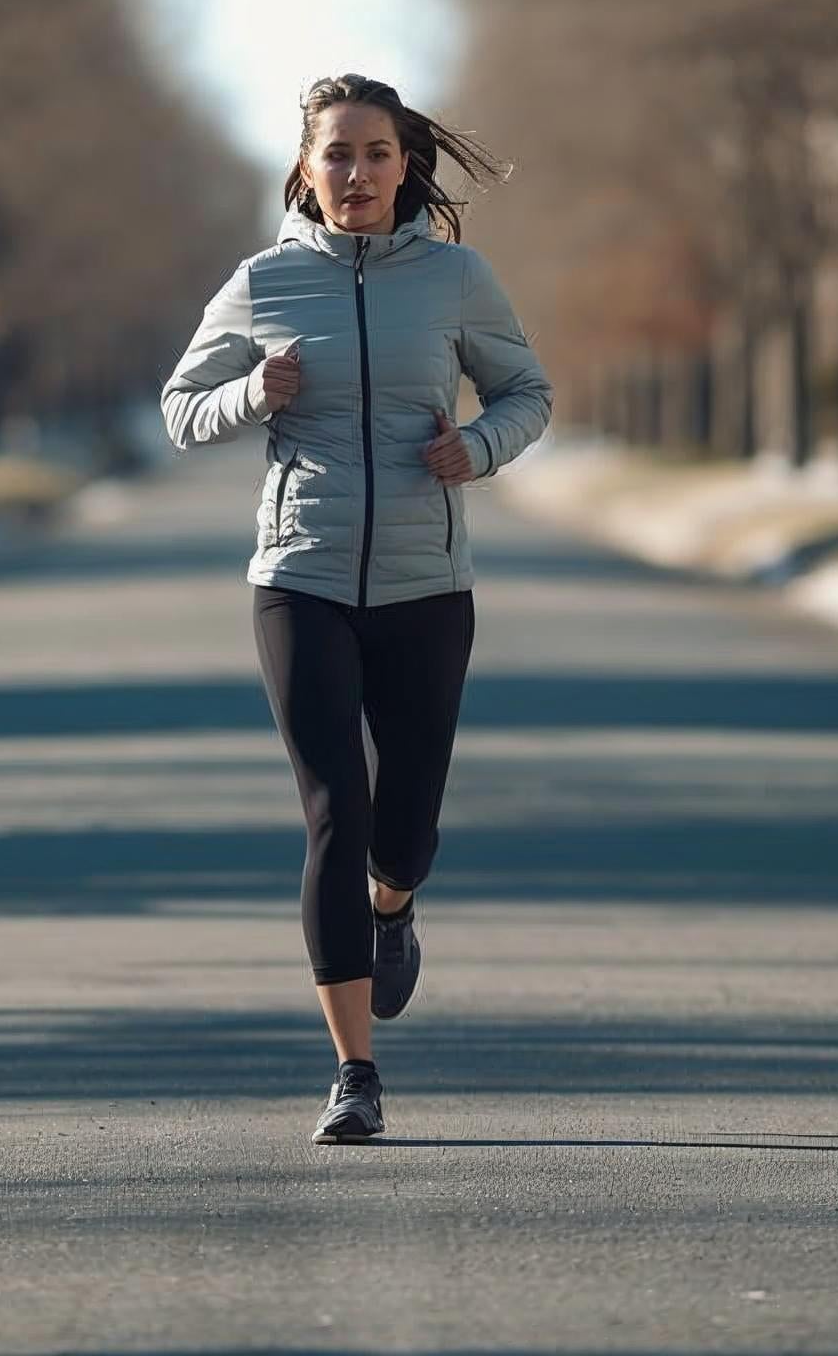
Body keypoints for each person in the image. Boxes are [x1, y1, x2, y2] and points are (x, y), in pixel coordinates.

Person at [160, 73, 554, 1144]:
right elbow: (179, 408)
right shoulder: (263, 281)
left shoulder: (457, 279)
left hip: (427, 583)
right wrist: (253, 395)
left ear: (403, 164)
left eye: (376, 153)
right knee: (335, 807)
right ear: (304, 167)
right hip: (299, 576)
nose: (356, 173)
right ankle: (353, 1072)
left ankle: (395, 905)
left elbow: (530, 393)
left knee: (406, 823)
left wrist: (472, 449)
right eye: (336, 154)